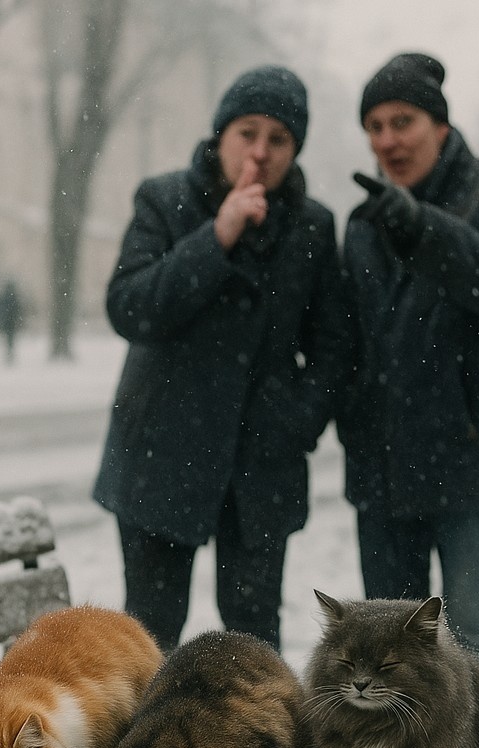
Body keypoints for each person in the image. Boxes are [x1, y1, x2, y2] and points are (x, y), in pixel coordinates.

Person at [93, 65, 352, 652]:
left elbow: (335, 347)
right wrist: (217, 237)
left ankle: (257, 747)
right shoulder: (164, 201)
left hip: (261, 467)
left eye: (278, 139)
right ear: (221, 134)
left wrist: (298, 423)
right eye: (247, 132)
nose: (260, 152)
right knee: (150, 637)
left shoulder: (312, 227)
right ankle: (150, 747)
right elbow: (130, 307)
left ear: (295, 150)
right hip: (160, 457)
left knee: (253, 640)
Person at [341, 53, 479, 688]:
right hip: (383, 473)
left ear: (440, 127)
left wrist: (424, 228)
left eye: (404, 121)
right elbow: (350, 346)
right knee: (388, 655)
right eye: (375, 125)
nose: (388, 139)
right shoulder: (362, 225)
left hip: (472, 463)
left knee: (475, 639)